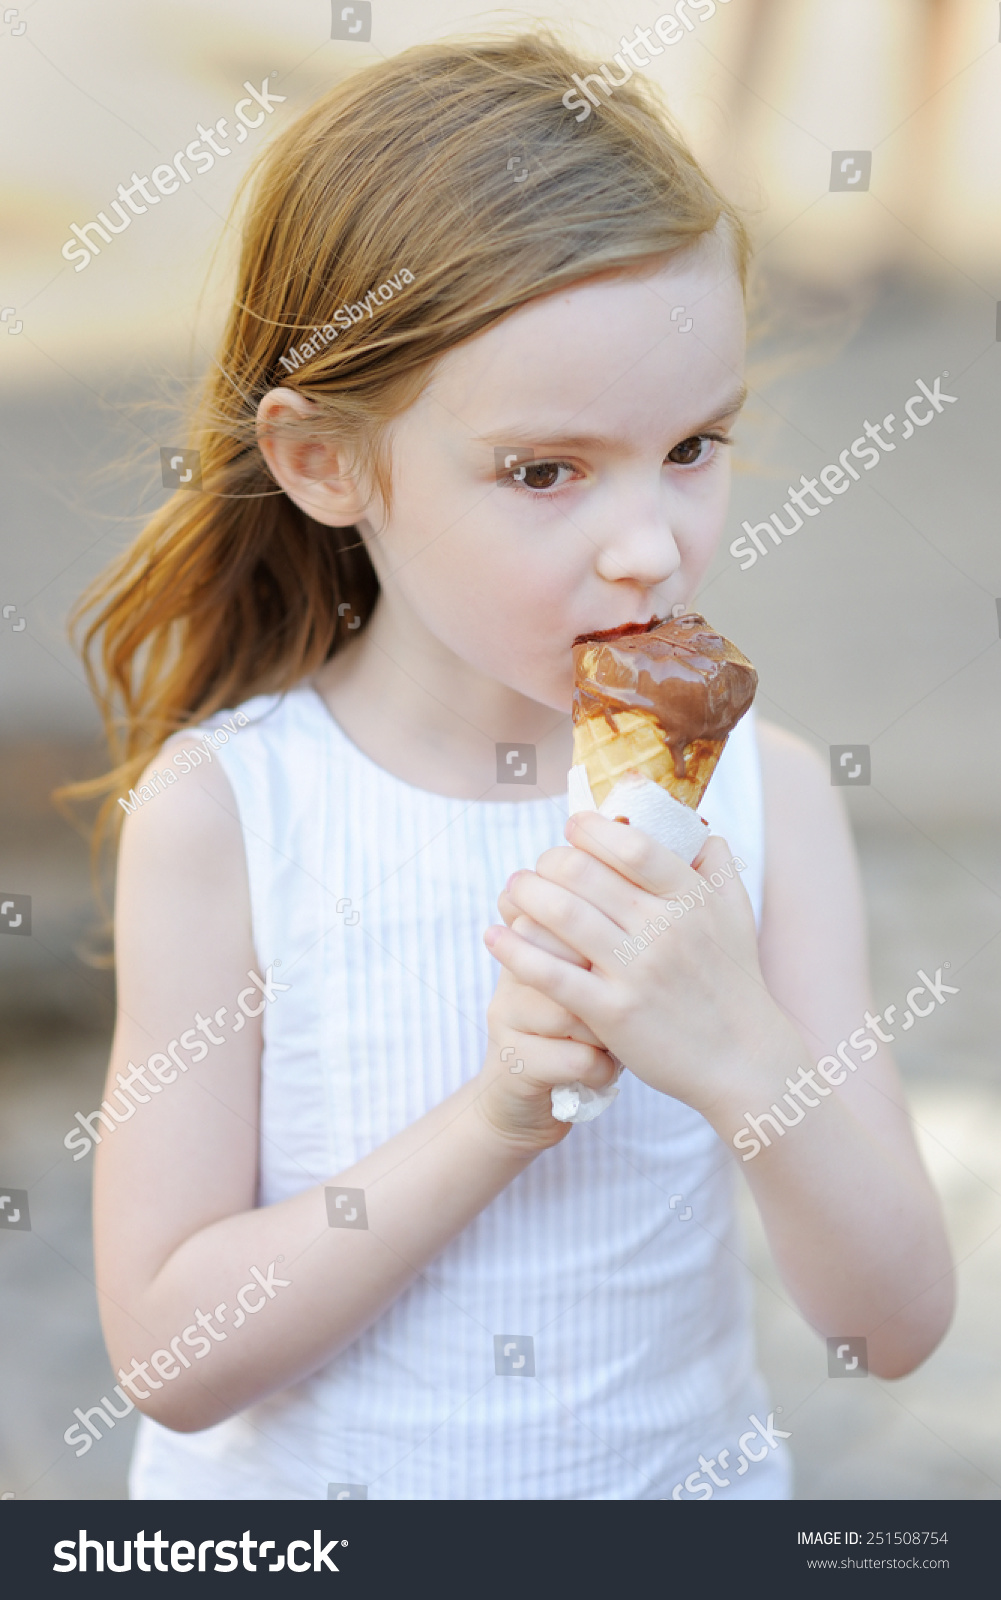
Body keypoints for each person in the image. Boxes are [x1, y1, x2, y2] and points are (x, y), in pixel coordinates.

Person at [72, 31, 953, 1500]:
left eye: (692, 445)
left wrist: (743, 1059)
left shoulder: (763, 794)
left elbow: (897, 1322)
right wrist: (496, 1117)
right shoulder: (233, 814)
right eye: (544, 472)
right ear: (327, 464)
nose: (645, 544)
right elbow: (169, 1351)